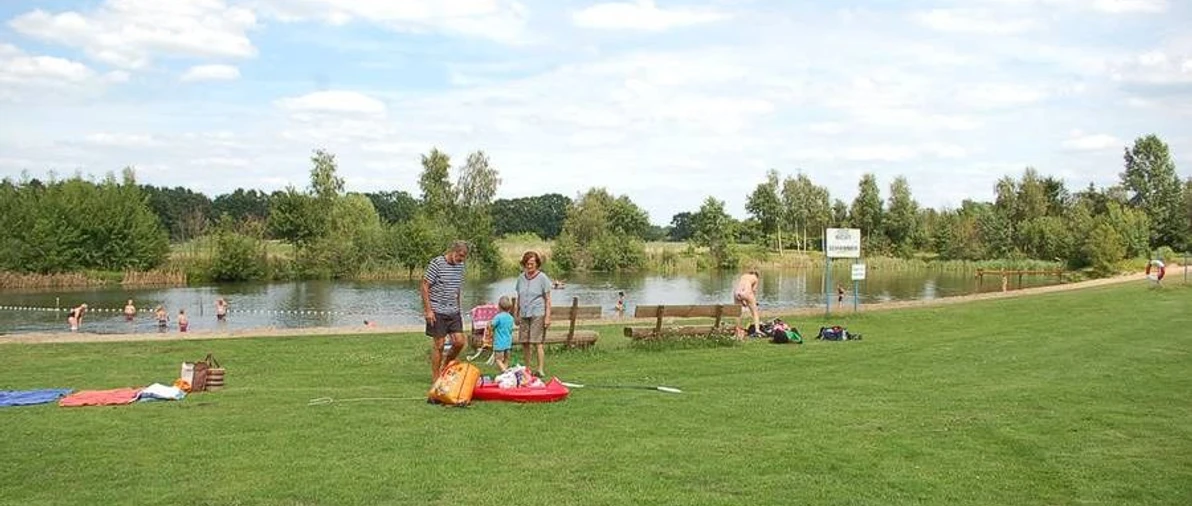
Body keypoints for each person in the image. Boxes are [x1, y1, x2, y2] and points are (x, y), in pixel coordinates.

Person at [421, 240, 469, 381]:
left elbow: (457, 288)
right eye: (460, 255)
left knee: (460, 342)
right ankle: (436, 377)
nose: (461, 259)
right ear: (452, 251)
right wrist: (428, 310)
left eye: (463, 257)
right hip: (437, 310)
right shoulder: (437, 264)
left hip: (453, 310)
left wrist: (458, 308)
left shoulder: (460, 266)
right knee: (439, 344)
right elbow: (424, 286)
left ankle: (446, 365)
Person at [514, 250, 552, 377]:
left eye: (532, 264)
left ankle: (540, 369)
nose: (529, 266)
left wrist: (547, 317)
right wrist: (516, 313)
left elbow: (547, 299)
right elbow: (519, 297)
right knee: (525, 342)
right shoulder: (520, 278)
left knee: (537, 342)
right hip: (524, 313)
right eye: (527, 264)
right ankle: (527, 368)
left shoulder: (542, 278)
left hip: (538, 313)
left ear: (537, 264)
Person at [485, 295, 516, 371]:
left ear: (499, 307)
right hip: (508, 342)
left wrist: (488, 324)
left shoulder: (498, 317)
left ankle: (505, 372)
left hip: (499, 343)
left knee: (498, 359)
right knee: (506, 360)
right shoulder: (511, 318)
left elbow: (491, 327)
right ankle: (505, 374)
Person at [734, 269, 761, 340]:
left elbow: (741, 290)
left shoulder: (744, 276)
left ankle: (738, 329)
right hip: (747, 292)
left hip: (737, 292)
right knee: (755, 313)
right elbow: (754, 290)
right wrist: (753, 301)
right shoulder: (755, 278)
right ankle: (757, 331)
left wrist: (743, 301)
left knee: (737, 313)